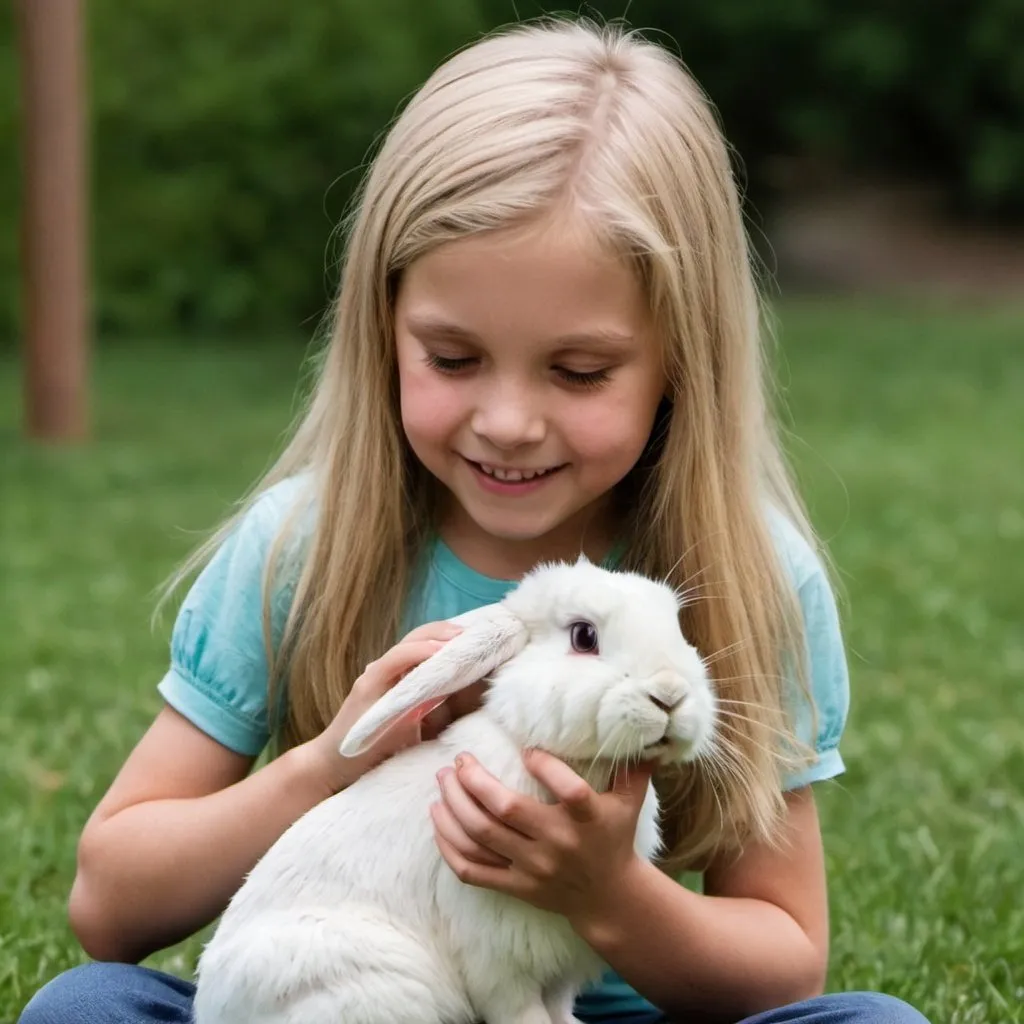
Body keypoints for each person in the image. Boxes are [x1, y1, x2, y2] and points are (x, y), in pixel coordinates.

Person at [18, 17, 930, 1024]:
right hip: (373, 995)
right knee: (88, 1007)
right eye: (452, 358)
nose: (506, 420)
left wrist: (607, 893)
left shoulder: (753, 573)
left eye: (578, 370)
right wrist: (331, 763)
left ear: (682, 357)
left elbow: (782, 963)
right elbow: (109, 904)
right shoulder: (299, 544)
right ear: (385, 327)